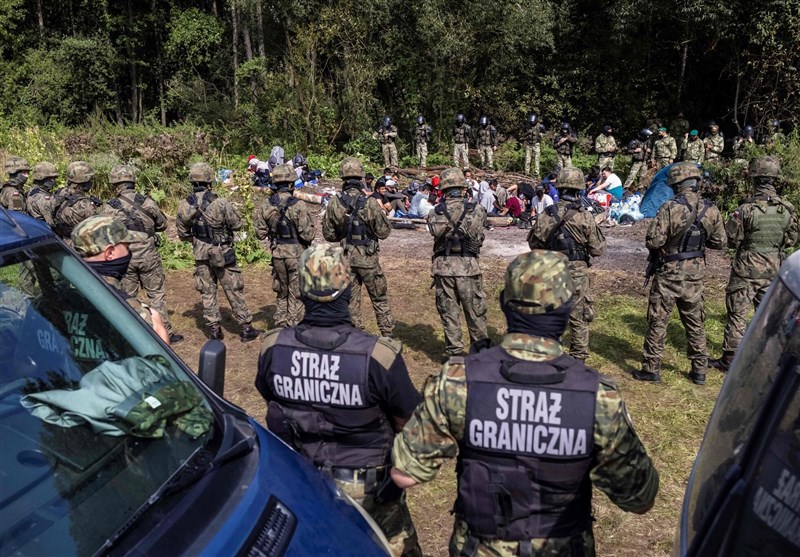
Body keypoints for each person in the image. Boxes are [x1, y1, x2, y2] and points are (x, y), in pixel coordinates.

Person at [390, 250, 660, 557]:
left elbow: (405, 474)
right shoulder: (599, 396)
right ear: (566, 309)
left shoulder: (457, 381)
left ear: (505, 304)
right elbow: (640, 499)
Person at [255, 244, 422, 556]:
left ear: (302, 291)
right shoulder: (378, 355)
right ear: (347, 288)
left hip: (303, 482)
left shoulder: (272, 348)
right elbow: (410, 423)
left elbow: (271, 400)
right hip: (371, 492)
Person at [632, 162, 726, 385]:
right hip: (695, 274)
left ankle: (651, 368)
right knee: (695, 322)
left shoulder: (669, 207)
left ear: (676, 183)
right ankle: (699, 371)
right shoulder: (711, 209)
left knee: (658, 320)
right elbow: (720, 242)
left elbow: (654, 241)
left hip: (669, 274)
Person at [709, 156, 798, 372]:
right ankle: (770, 357)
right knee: (769, 314)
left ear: (754, 179)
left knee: (738, 313)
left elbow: (731, 239)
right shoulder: (787, 209)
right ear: (776, 179)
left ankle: (730, 359)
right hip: (773, 268)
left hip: (746, 268)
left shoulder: (746, 209)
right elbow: (792, 240)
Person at [176, 162, 263, 342]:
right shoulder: (221, 202)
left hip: (201, 254)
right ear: (210, 182)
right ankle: (246, 328)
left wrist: (199, 240)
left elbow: (183, 234)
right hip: (223, 251)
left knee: (207, 291)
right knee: (233, 289)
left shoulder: (184, 205)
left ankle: (214, 330)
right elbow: (237, 224)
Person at [527, 166, 606, 361]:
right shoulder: (585, 215)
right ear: (579, 189)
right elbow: (598, 249)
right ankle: (578, 357)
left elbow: (533, 243)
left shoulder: (547, 214)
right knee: (578, 315)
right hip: (577, 271)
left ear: (560, 188)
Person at [102, 164, 183, 344]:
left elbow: (104, 233)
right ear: (132, 181)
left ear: (114, 184)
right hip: (148, 255)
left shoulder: (109, 208)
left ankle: (133, 335)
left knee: (128, 296)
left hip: (125, 258)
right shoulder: (146, 202)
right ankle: (166, 334)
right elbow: (162, 224)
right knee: (156, 295)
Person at [323, 157, 394, 337]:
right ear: (361, 178)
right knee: (379, 298)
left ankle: (355, 336)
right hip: (368, 259)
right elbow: (384, 232)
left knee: (350, 300)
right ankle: (388, 336)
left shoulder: (334, 203)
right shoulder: (370, 203)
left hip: (347, 259)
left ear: (343, 179)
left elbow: (329, 235)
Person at [71, 215, 170, 345]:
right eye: (127, 247)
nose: (129, 252)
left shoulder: (54, 293)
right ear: (110, 253)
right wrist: (156, 324)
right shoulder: (128, 310)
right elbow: (160, 360)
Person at [428, 167, 490, 358]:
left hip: (444, 269)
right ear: (464, 188)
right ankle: (481, 355)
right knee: (475, 313)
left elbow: (435, 234)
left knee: (449, 314)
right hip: (468, 267)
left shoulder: (434, 213)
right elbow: (479, 235)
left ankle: (455, 354)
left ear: (443, 189)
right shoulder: (477, 211)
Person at [253, 163, 315, 329]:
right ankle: (293, 326)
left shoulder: (266, 205)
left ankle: (280, 324)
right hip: (296, 255)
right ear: (291, 184)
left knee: (282, 291)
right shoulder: (299, 205)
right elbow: (308, 235)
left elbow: (260, 234)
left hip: (278, 254)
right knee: (297, 293)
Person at [53, 161, 102, 244]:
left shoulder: (60, 193)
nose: (92, 182)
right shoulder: (86, 204)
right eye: (91, 179)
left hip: (61, 241)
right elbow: (98, 230)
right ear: (85, 180)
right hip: (78, 245)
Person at [26, 162, 59, 226]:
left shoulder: (32, 191)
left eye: (54, 178)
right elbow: (51, 223)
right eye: (51, 178)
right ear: (42, 178)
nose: (53, 181)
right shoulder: (42, 198)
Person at [523, 113, 544, 178]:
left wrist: (541, 135)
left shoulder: (540, 126)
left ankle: (536, 174)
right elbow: (524, 133)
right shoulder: (527, 126)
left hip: (536, 144)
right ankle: (527, 173)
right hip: (529, 144)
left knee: (536, 159)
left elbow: (544, 133)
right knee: (527, 159)